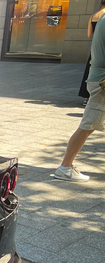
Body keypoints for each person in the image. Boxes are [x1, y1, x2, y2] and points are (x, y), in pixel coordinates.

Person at [55, 18, 105, 181]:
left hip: (99, 79)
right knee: (87, 125)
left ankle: (65, 166)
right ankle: (65, 167)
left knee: (88, 125)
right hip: (102, 82)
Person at [79, 0, 105, 106]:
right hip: (102, 47)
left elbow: (89, 34)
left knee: (89, 72)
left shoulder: (93, 15)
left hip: (94, 48)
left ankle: (87, 97)